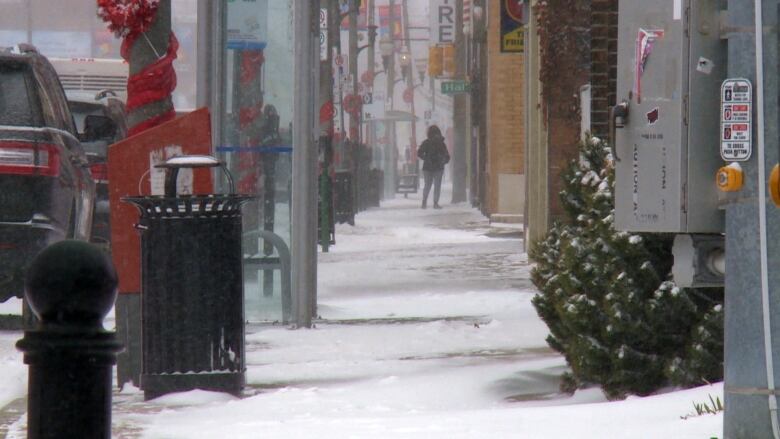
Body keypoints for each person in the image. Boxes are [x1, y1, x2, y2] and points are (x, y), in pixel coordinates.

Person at [417, 125, 450, 209]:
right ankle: (435, 203)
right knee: (437, 186)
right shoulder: (441, 143)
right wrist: (443, 161)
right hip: (438, 167)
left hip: (428, 167)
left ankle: (424, 202)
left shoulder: (426, 142)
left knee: (427, 185)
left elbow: (419, 153)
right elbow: (447, 156)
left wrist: (426, 158)